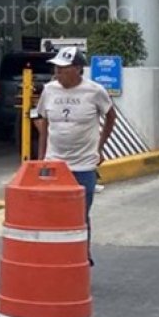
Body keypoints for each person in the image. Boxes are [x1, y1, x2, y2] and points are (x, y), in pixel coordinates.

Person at [34, 46, 115, 266]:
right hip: (54, 164)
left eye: (63, 69)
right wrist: (41, 159)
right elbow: (43, 122)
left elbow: (110, 116)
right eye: (56, 69)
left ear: (78, 69)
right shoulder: (49, 90)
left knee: (79, 215)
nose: (57, 73)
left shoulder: (94, 91)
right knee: (52, 214)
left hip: (83, 166)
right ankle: (54, 257)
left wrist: (100, 146)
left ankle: (80, 257)